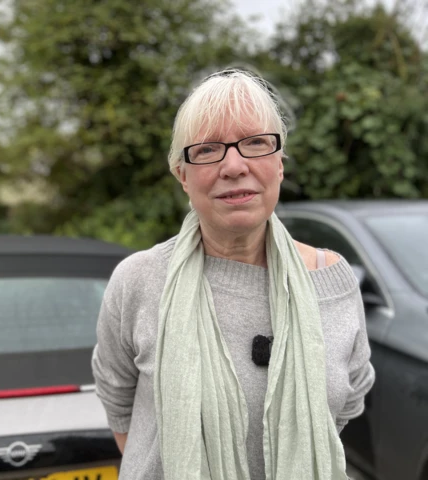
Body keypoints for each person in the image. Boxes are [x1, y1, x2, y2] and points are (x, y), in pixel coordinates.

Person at [91, 69, 375, 480]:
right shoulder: (138, 280)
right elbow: (119, 404)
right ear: (182, 175)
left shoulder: (332, 280)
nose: (234, 165)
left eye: (256, 143)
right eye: (207, 149)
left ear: (279, 164)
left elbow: (349, 401)